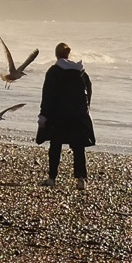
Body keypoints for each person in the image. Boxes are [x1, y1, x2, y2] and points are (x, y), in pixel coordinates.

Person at [35, 42, 94, 189]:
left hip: (58, 116)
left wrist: (43, 115)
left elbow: (48, 95)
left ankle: (52, 178)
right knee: (78, 148)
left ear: (56, 54)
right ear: (69, 54)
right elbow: (89, 93)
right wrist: (85, 112)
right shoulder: (81, 72)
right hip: (77, 116)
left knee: (55, 147)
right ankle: (81, 180)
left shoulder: (54, 71)